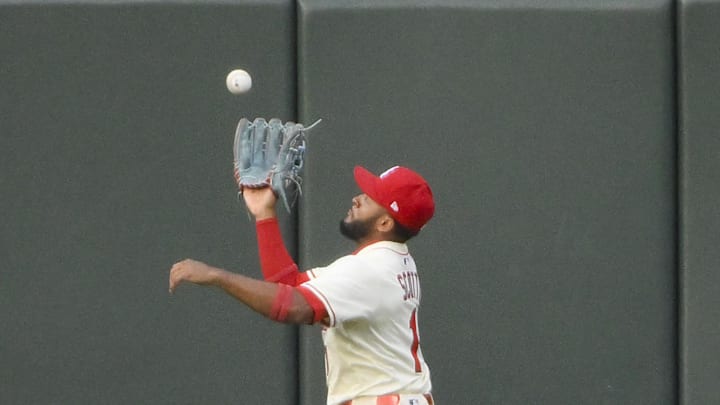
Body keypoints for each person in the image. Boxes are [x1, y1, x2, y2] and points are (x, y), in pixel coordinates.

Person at [169, 165, 436, 405]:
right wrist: (265, 214)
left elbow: (290, 306)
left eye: (368, 199)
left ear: (385, 222)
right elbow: (289, 286)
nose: (357, 198)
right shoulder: (392, 260)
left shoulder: (369, 270)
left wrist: (217, 276)